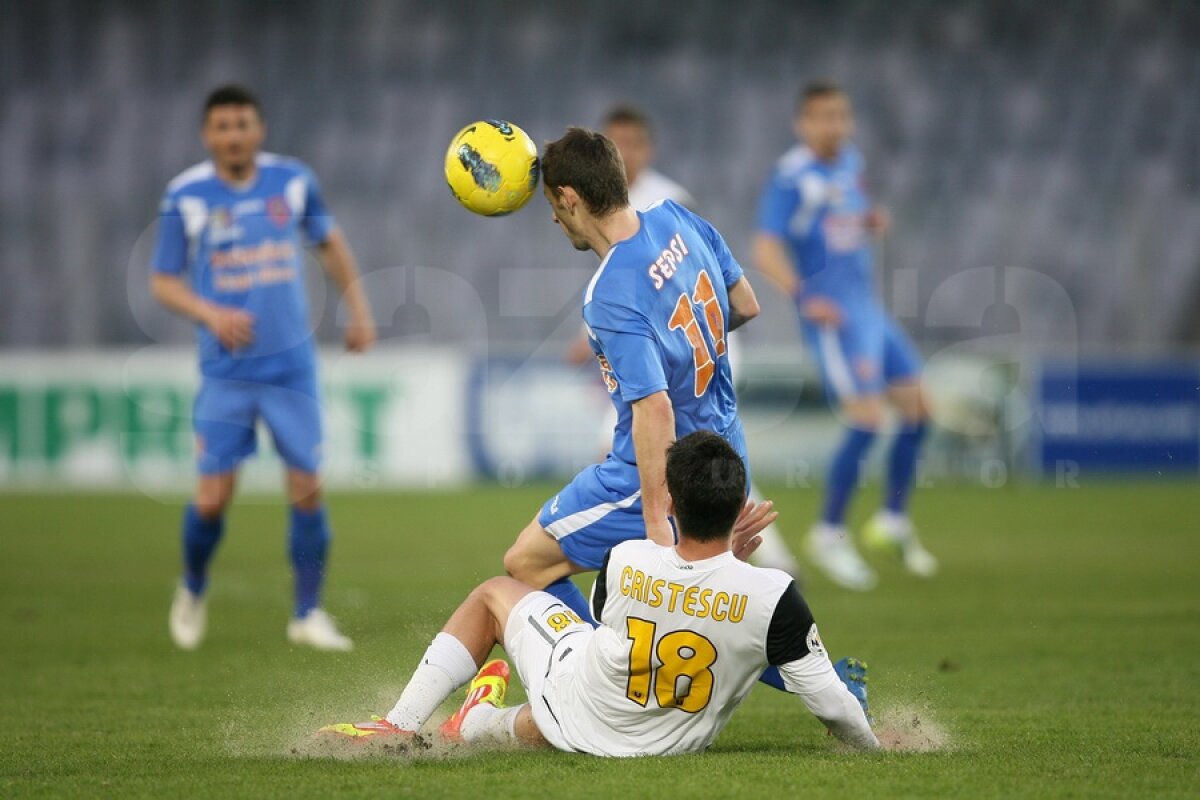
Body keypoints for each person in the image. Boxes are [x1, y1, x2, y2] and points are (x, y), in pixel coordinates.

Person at [321, 431, 878, 755]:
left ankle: (399, 725)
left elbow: (609, 629)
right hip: (670, 744)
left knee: (497, 592)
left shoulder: (626, 559)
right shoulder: (773, 595)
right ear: (739, 508)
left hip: (584, 716)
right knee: (580, 700)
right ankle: (471, 724)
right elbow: (836, 708)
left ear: (670, 507)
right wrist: (874, 750)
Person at [500, 127, 763, 628]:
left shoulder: (610, 294)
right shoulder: (677, 218)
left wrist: (655, 526)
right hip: (728, 447)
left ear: (570, 198)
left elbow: (654, 410)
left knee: (526, 563)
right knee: (700, 606)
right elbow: (747, 304)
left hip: (667, 468)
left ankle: (597, 665)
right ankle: (821, 673)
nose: (554, 219)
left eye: (553, 205)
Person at [150, 85, 376, 650]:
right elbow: (162, 281)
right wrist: (209, 313)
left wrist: (359, 310)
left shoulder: (292, 181)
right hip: (226, 373)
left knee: (306, 489)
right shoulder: (186, 195)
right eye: (222, 127)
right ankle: (194, 587)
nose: (233, 135)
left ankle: (307, 613)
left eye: (242, 124)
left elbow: (332, 246)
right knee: (211, 499)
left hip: (291, 369)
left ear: (260, 129)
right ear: (208, 135)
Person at [566, 106, 801, 576]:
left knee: (659, 467)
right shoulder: (616, 208)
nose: (625, 153)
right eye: (617, 143)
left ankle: (663, 565)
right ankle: (755, 563)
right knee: (708, 468)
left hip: (688, 352)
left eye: (632, 143)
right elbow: (628, 296)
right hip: (679, 347)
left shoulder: (663, 200)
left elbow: (668, 283)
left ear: (645, 149)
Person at [752, 81, 938, 591]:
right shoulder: (792, 176)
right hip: (835, 317)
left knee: (921, 411)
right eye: (823, 117)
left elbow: (841, 222)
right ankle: (829, 534)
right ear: (803, 123)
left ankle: (891, 524)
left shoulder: (849, 164)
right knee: (869, 419)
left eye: (841, 115)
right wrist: (803, 295)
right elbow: (766, 248)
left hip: (869, 309)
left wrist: (869, 220)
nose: (833, 125)